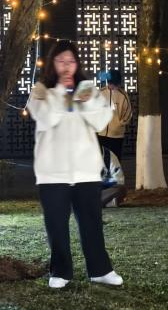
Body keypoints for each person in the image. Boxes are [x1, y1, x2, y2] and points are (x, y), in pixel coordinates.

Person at [27, 39, 123, 289]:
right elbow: (45, 118)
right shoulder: (41, 90)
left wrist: (83, 100)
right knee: (57, 224)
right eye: (61, 61)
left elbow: (100, 120)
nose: (66, 66)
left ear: (77, 64)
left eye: (70, 61)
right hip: (52, 171)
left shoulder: (88, 90)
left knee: (91, 222)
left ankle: (100, 270)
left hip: (85, 169)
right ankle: (60, 271)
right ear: (52, 64)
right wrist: (62, 93)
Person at [97, 70, 132, 161]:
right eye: (111, 83)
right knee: (102, 159)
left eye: (115, 84)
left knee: (115, 159)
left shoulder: (123, 95)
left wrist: (120, 124)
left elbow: (128, 112)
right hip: (102, 133)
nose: (113, 86)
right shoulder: (100, 93)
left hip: (117, 135)